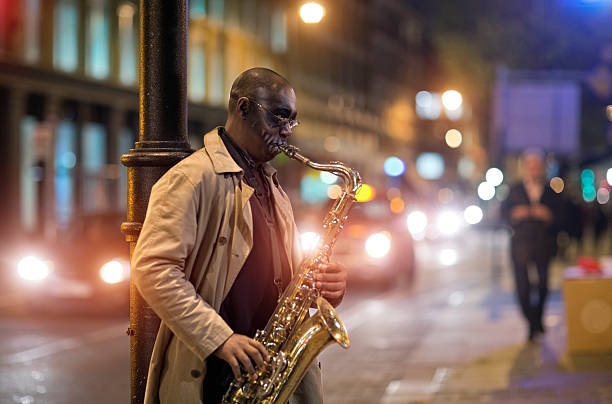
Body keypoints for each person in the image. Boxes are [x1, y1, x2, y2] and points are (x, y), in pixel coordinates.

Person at [131, 67, 347, 404]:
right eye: (278, 117)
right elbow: (154, 270)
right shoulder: (191, 178)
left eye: (292, 121)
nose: (286, 131)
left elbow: (286, 278)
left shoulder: (272, 185)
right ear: (243, 108)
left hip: (268, 374)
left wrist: (324, 286)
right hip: (215, 378)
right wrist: (220, 338)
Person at [501, 151, 561, 341]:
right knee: (523, 287)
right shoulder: (515, 190)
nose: (534, 170)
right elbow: (503, 214)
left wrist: (549, 215)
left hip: (543, 244)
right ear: (525, 168)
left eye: (537, 166)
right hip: (521, 245)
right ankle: (533, 322)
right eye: (531, 166)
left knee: (543, 285)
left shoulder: (551, 191)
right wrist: (515, 214)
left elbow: (564, 216)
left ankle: (537, 319)